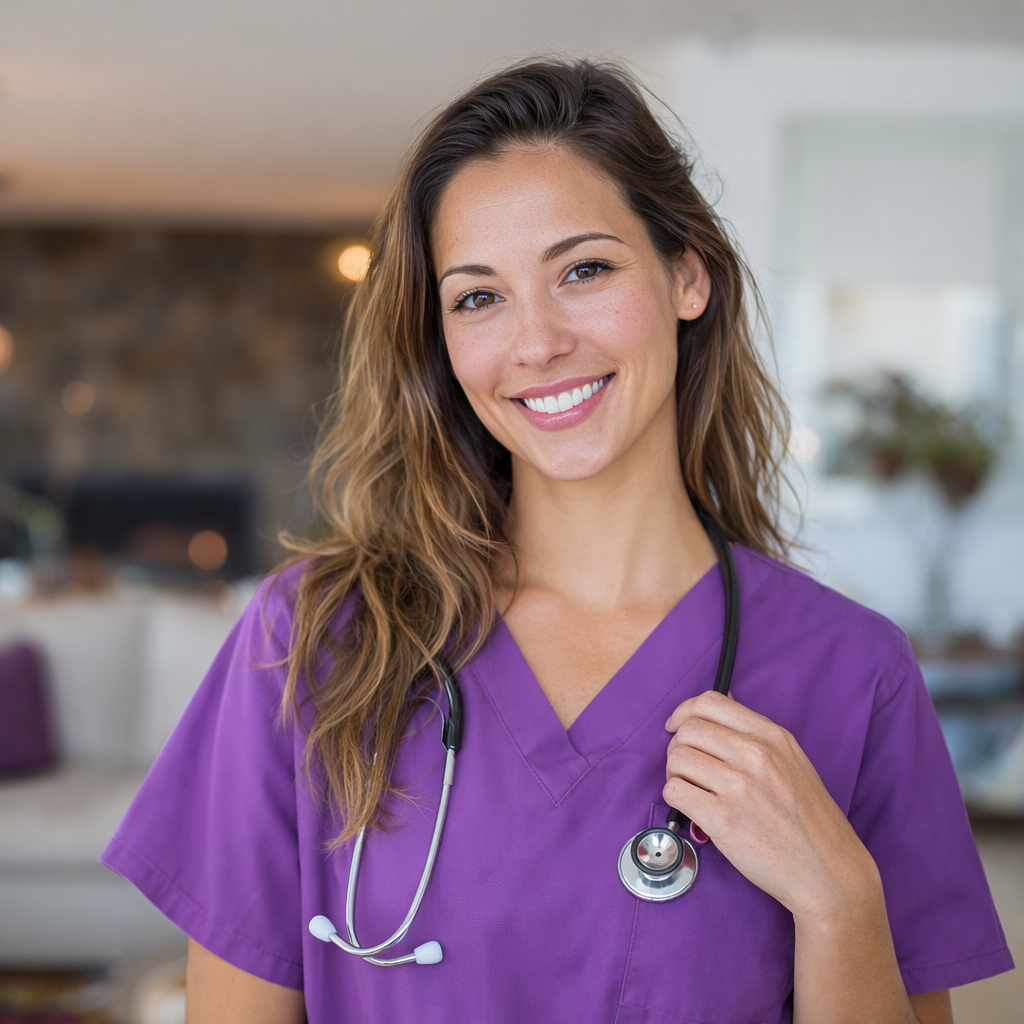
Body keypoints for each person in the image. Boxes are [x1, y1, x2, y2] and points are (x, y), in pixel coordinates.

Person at [102, 60, 1012, 1024]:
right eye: (478, 297)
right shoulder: (317, 636)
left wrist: (839, 899)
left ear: (687, 275)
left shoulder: (851, 675)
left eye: (584, 270)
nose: (536, 344)